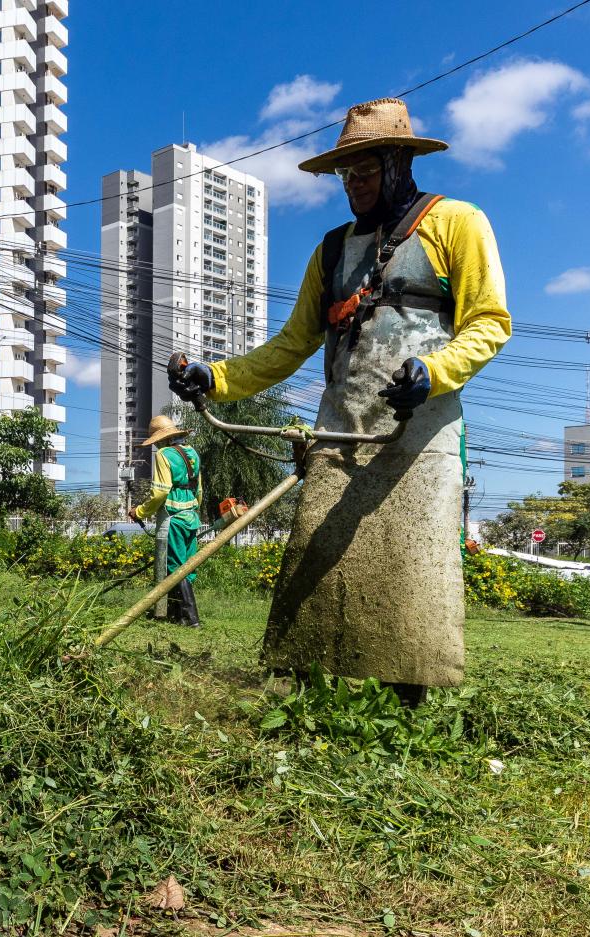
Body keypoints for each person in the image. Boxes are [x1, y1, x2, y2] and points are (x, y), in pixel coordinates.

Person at [167, 97, 510, 702]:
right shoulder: (330, 250)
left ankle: (408, 701)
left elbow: (488, 322)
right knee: (317, 565)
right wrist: (215, 378)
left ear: (401, 162)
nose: (352, 184)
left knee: (411, 571)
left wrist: (435, 370)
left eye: (366, 170)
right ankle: (305, 692)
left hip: (420, 437)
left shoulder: (458, 222)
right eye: (345, 173)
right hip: (340, 433)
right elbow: (291, 344)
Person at [128, 413, 204, 627]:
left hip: (174, 517)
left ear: (160, 439)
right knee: (187, 566)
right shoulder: (192, 453)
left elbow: (160, 492)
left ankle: (190, 619)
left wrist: (140, 512)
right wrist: (194, 509)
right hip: (192, 517)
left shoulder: (163, 454)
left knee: (175, 566)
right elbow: (199, 489)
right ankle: (176, 614)